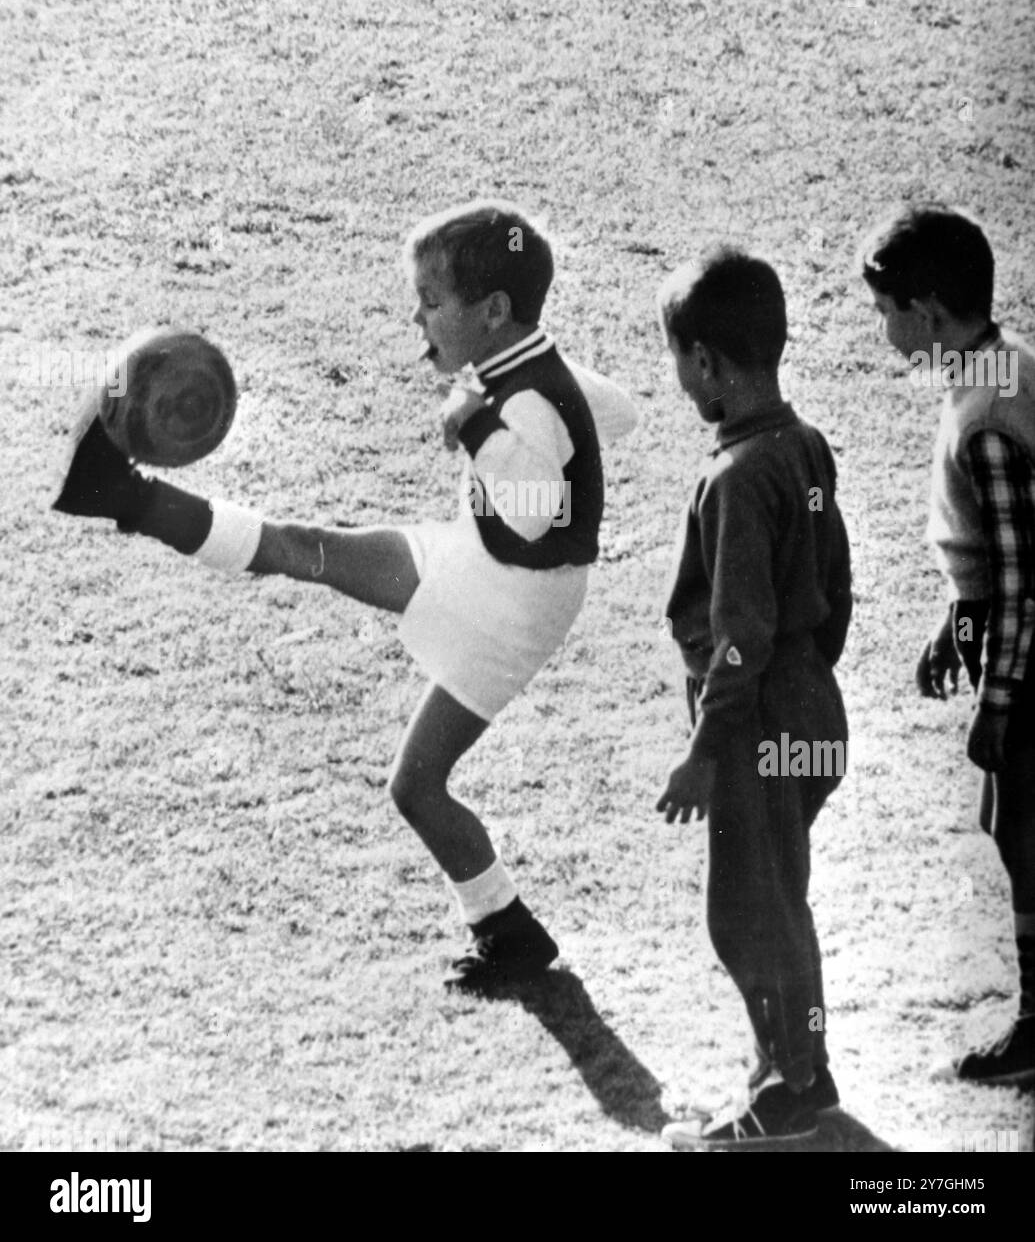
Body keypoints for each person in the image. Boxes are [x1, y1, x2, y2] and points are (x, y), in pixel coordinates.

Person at [53, 198, 637, 992]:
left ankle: (507, 930)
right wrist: (528, 392)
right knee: (309, 549)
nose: (417, 316)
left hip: (509, 605)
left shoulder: (521, 397)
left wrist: (476, 425)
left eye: (433, 303)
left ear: (494, 312)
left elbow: (533, 517)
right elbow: (619, 413)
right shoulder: (528, 366)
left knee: (416, 785)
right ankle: (117, 494)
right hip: (485, 563)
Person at [655, 246, 852, 1149]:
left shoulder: (734, 477)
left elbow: (736, 633)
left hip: (756, 723)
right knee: (783, 896)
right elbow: (835, 586)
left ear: (704, 364)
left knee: (745, 913)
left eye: (676, 360)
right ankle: (793, 1069)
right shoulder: (804, 443)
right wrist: (809, 683)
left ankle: (788, 1093)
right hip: (810, 704)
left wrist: (706, 748)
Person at [861, 203, 1035, 1086]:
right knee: (1009, 827)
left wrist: (998, 704)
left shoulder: (987, 417)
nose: (883, 330)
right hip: (1007, 631)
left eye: (887, 311)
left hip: (1029, 657)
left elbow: (1020, 576)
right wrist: (954, 620)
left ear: (926, 312)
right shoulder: (999, 368)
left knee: (1024, 829)